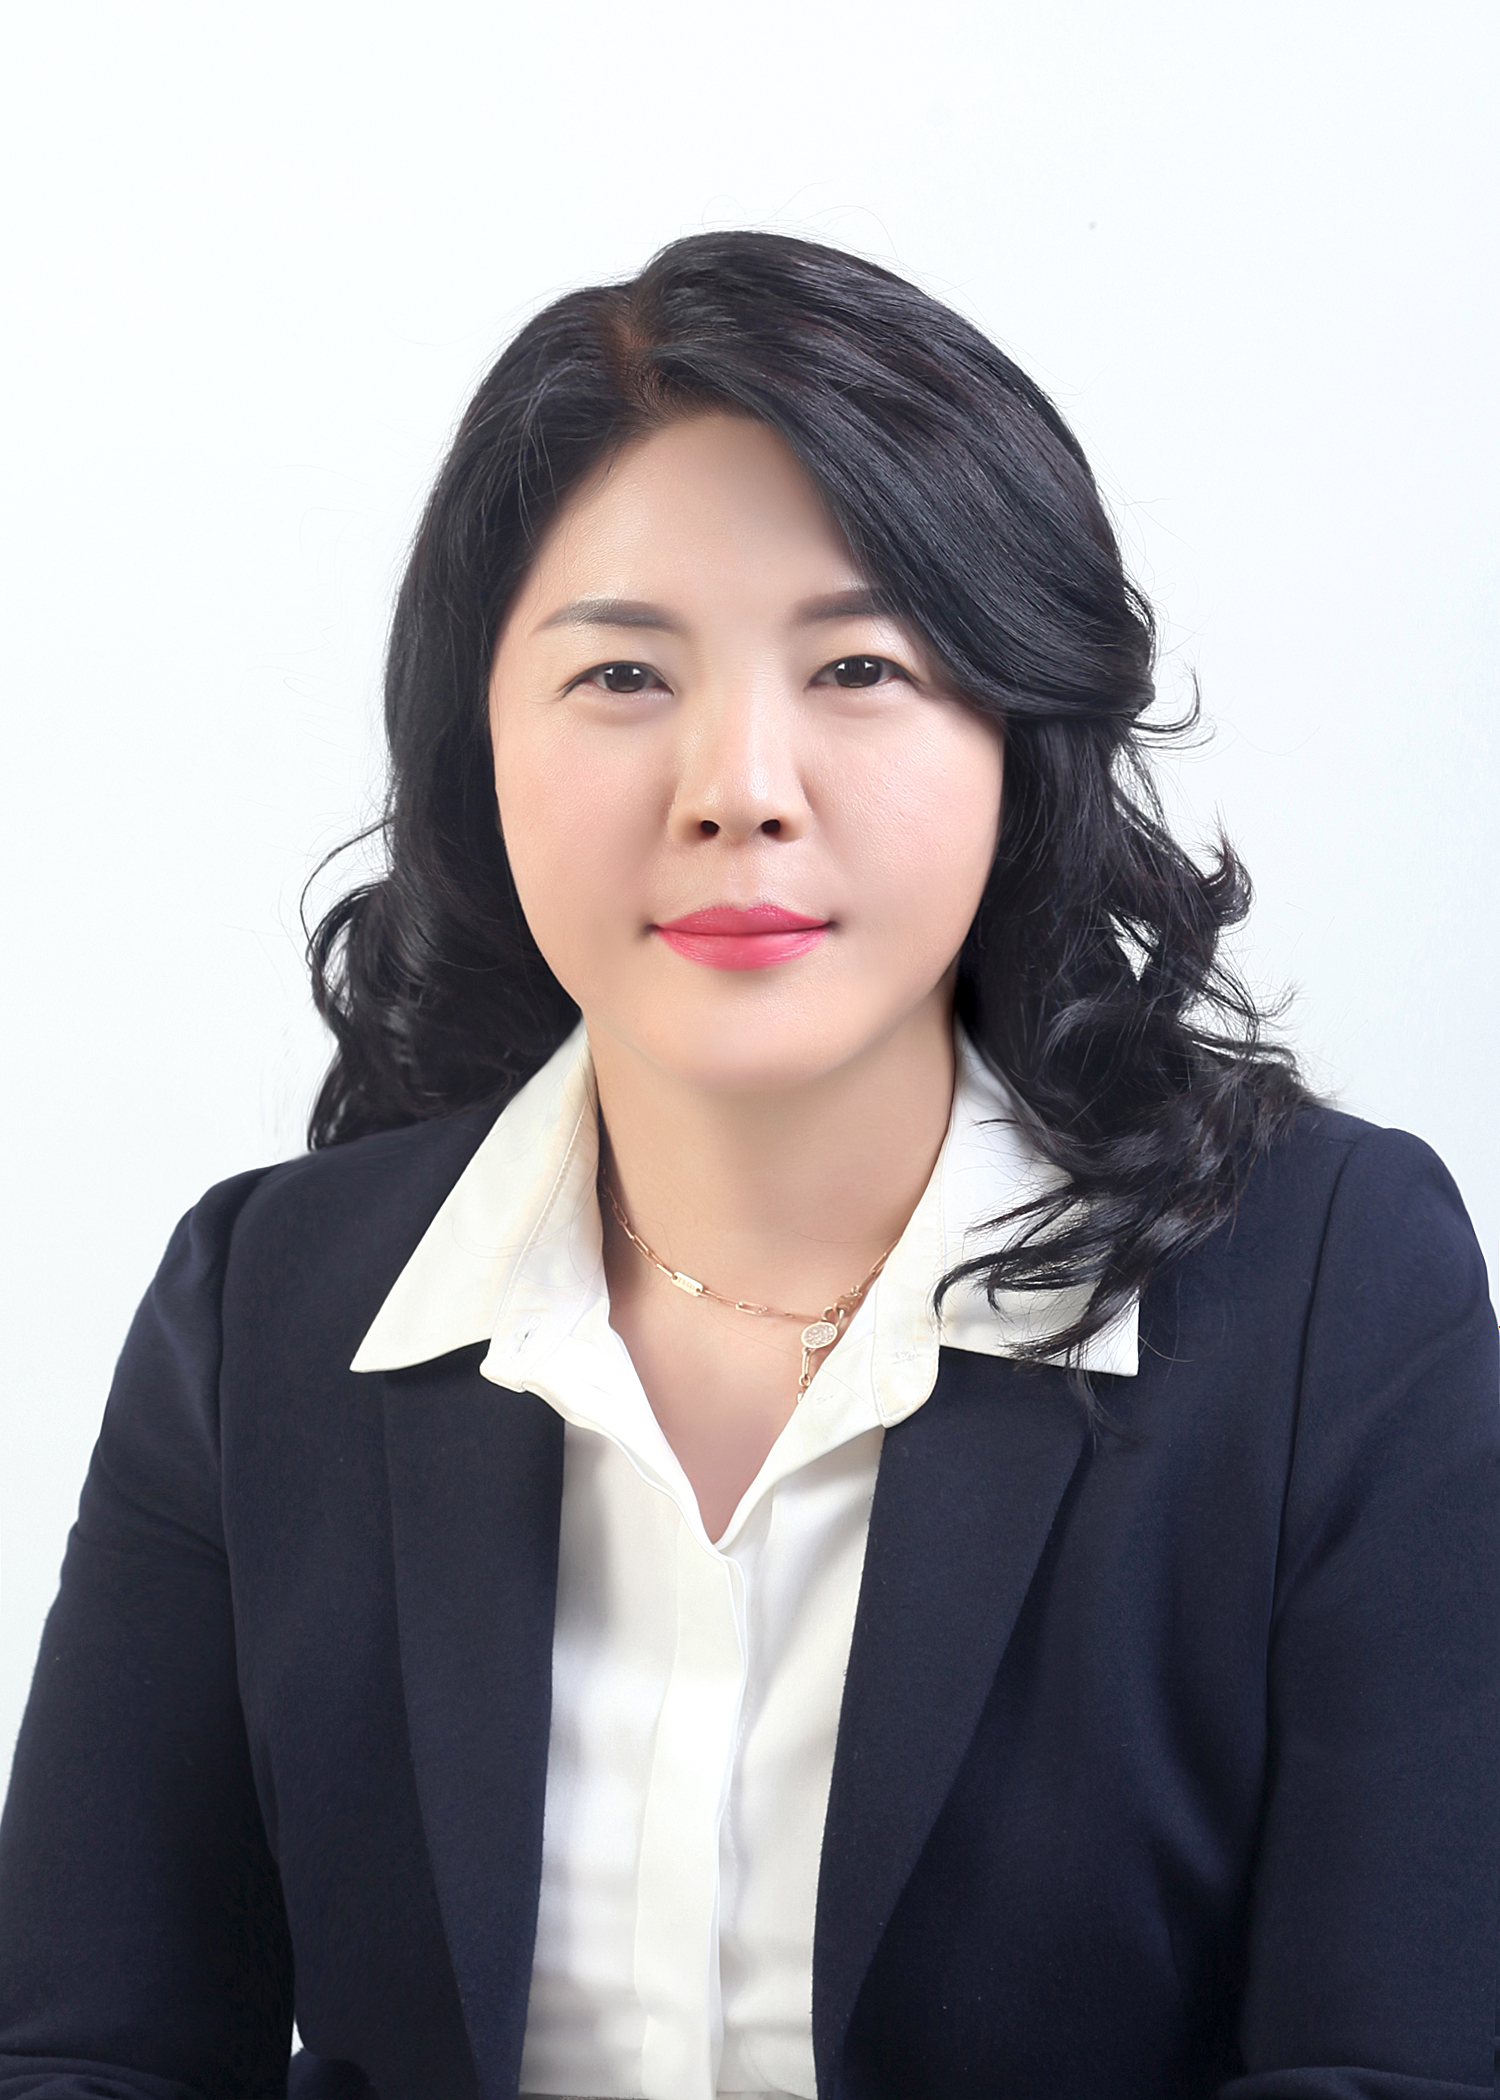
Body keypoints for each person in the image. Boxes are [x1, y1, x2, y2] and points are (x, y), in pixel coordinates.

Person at [0, 231, 1495, 2100]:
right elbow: (90, 2054)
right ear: (478, 744)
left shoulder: (1335, 1292)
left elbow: (1401, 2066)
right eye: (623, 674)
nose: (738, 787)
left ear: (1018, 731)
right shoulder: (268, 1311)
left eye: (860, 665)